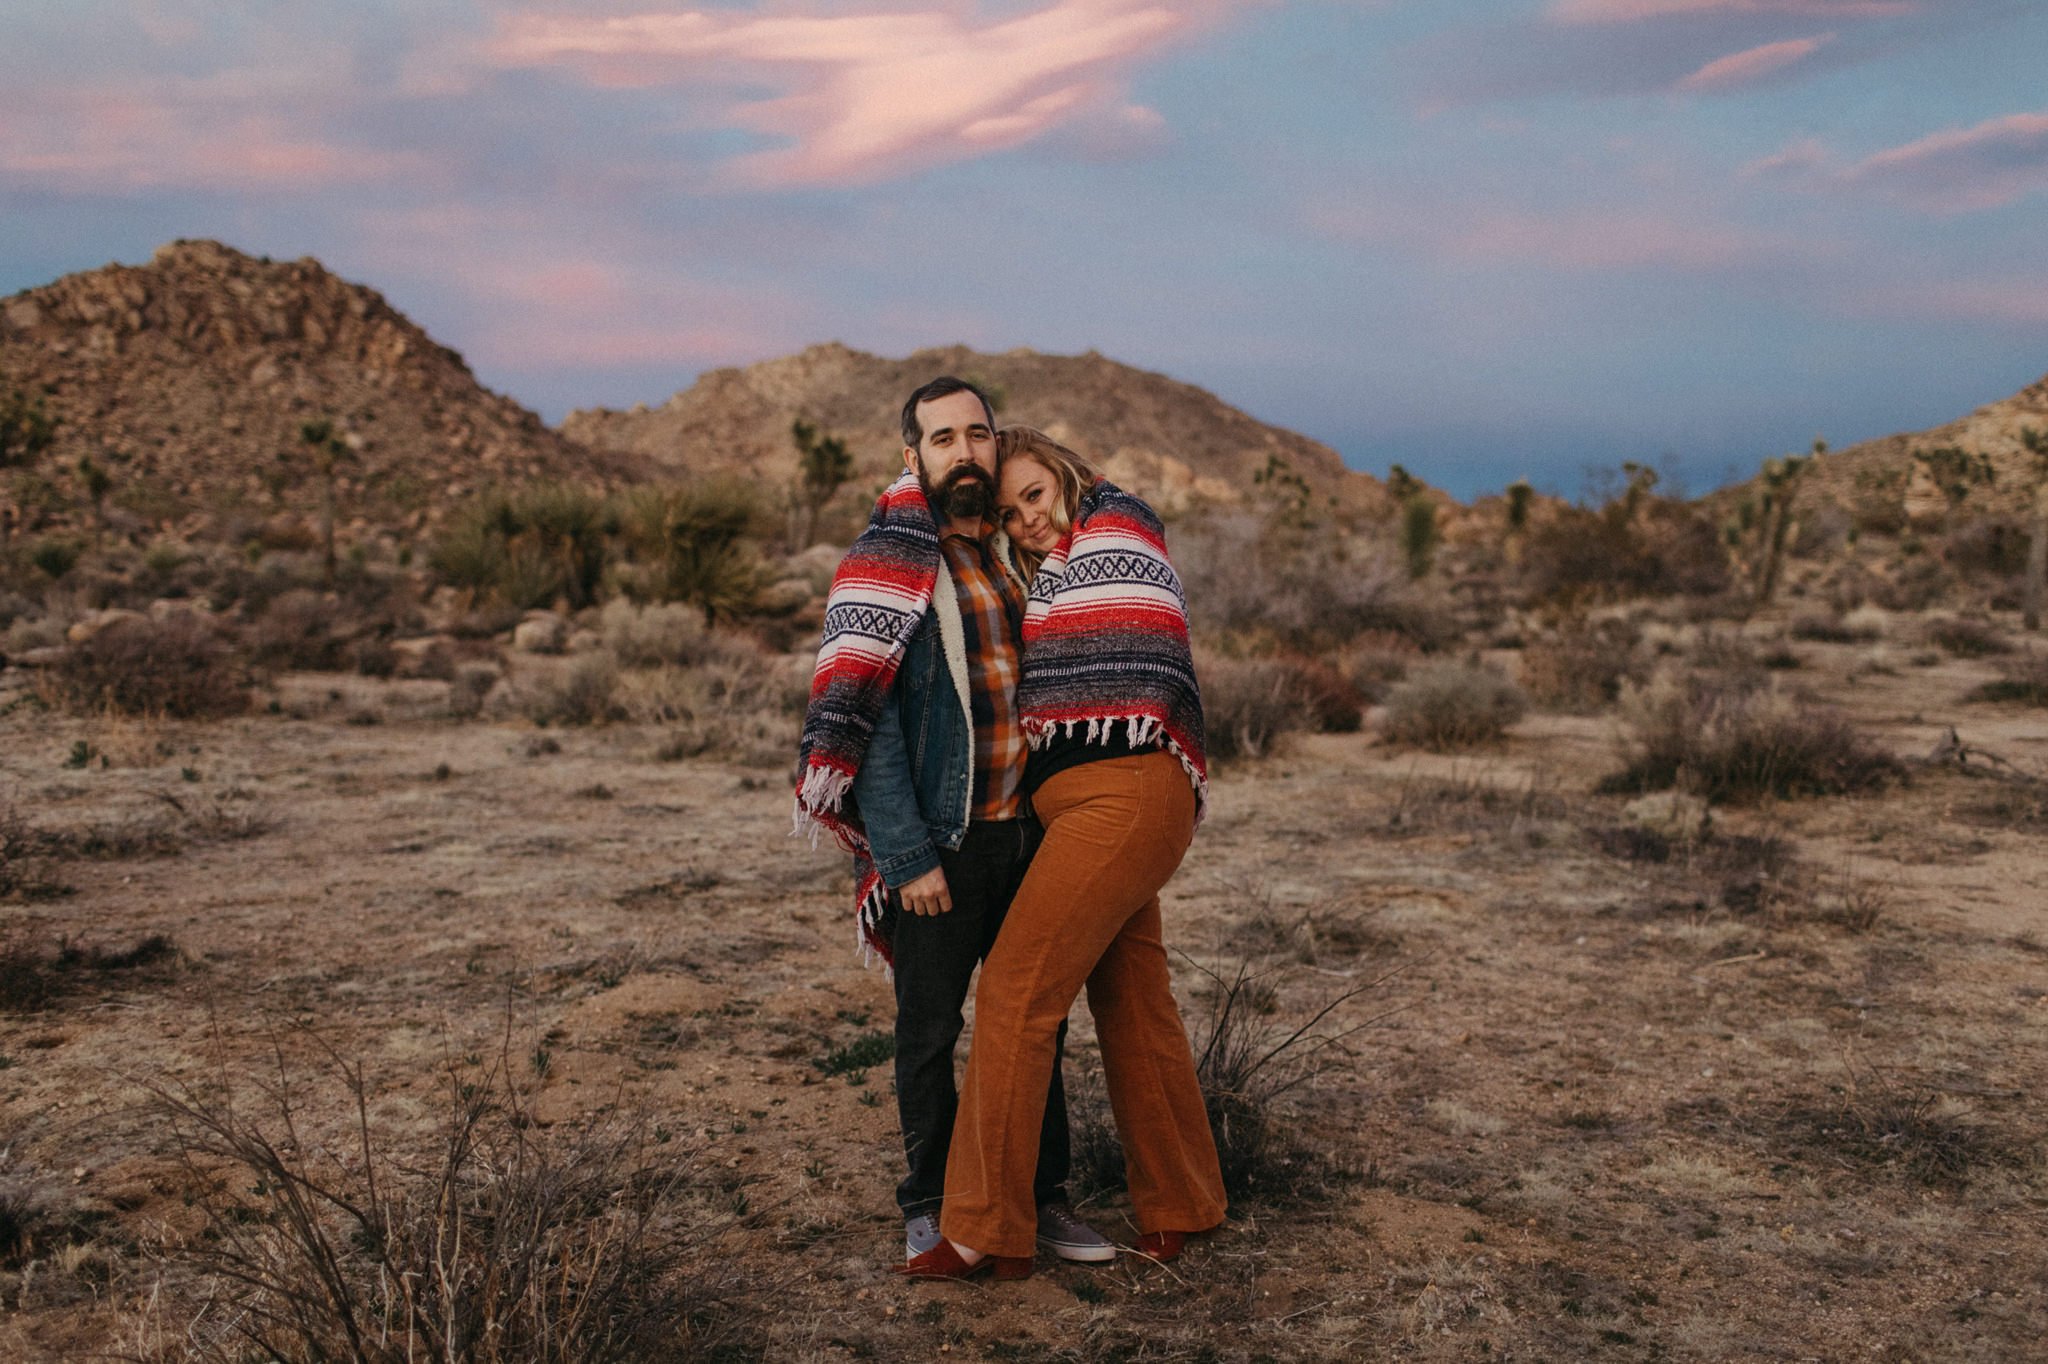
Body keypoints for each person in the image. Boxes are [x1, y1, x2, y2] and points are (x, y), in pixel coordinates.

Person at [794, 380, 1112, 1266]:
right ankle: (931, 1203)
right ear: (914, 458)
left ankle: (1037, 1199)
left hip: (1030, 838)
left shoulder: (1013, 558)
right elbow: (875, 726)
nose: (964, 452)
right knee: (930, 1033)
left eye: (978, 435)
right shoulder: (889, 566)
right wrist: (905, 855)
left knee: (1032, 1018)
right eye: (944, 439)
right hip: (943, 842)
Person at [900, 426, 1228, 1281]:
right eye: (1010, 513)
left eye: (1037, 496)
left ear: (1068, 473)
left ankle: (981, 1228)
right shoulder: (1043, 575)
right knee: (1133, 1001)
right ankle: (1184, 1204)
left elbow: (1125, 630)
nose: (1028, 522)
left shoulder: (1118, 530)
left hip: (1124, 795)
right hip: (1086, 806)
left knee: (1015, 990)